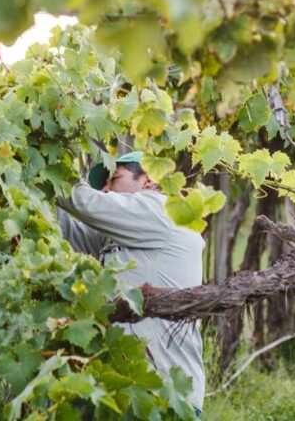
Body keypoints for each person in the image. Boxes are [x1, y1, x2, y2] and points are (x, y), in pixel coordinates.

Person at [57, 151, 205, 417]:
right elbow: (66, 228)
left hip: (163, 394)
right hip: (131, 388)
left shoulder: (160, 211)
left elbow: (84, 202)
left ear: (148, 180)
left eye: (113, 178)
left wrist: (51, 169)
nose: (105, 189)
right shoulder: (120, 236)